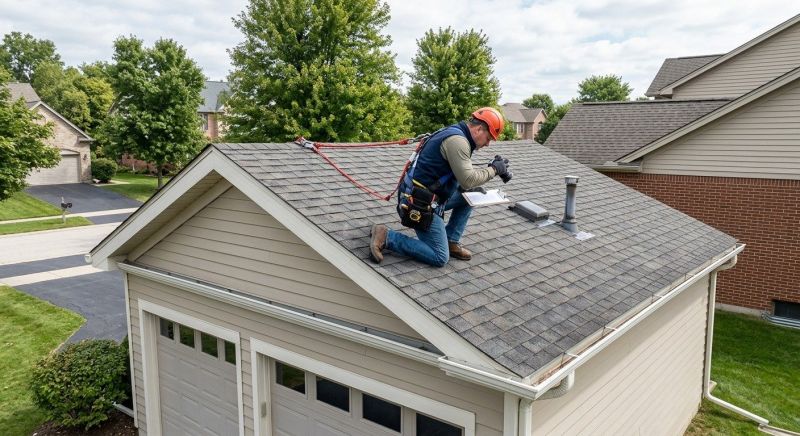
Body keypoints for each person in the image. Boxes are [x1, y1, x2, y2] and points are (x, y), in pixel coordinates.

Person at [369, 107, 511, 267]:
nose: (488, 144)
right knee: (439, 256)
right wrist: (494, 169)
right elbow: (468, 180)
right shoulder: (458, 142)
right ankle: (387, 236)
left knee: (470, 196)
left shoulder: (456, 133)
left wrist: (478, 180)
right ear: (479, 129)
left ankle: (451, 240)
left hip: (432, 197)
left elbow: (459, 179)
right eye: (489, 138)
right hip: (418, 202)